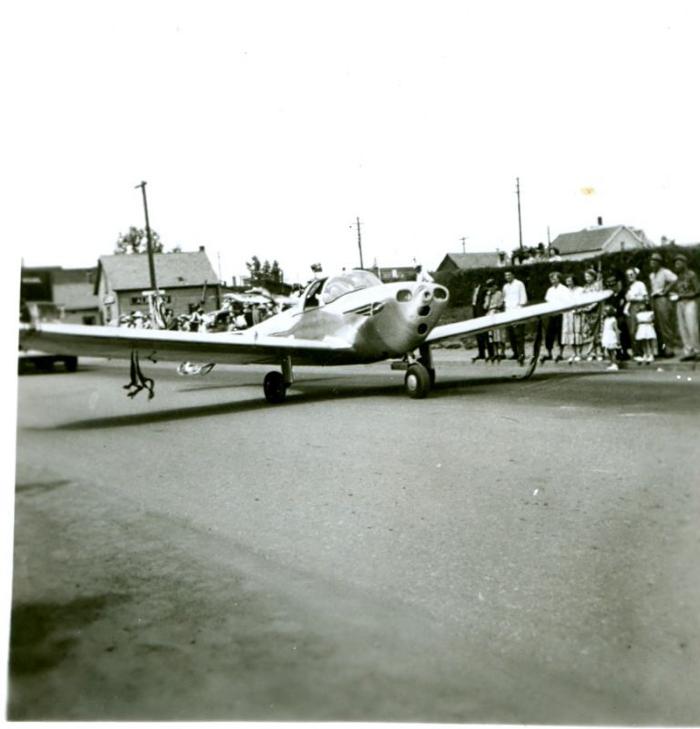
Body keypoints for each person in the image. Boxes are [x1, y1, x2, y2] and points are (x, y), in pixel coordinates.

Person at [670, 254, 699, 361]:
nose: (676, 265)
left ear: (684, 263)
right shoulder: (678, 277)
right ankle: (688, 351)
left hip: (690, 302)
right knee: (682, 328)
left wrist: (680, 296)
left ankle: (697, 350)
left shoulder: (691, 275)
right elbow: (676, 289)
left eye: (678, 263)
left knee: (692, 326)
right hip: (680, 303)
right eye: (675, 263)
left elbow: (697, 291)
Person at [648, 252, 677, 358]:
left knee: (665, 324)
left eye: (655, 261)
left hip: (662, 299)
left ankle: (669, 349)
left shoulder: (665, 272)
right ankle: (661, 349)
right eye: (651, 261)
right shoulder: (652, 275)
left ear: (659, 263)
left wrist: (666, 290)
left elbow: (674, 279)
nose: (652, 263)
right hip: (654, 299)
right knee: (657, 326)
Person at [542, 271, 568, 362]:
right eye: (551, 278)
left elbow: (567, 302)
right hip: (551, 314)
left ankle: (560, 353)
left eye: (554, 278)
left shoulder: (564, 289)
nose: (552, 280)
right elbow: (548, 301)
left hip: (561, 314)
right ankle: (549, 353)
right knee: (549, 334)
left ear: (559, 279)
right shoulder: (550, 290)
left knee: (560, 334)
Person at [502, 270, 528, 364]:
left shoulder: (519, 284)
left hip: (517, 311)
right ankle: (515, 353)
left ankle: (521, 354)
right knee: (511, 334)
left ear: (513, 275)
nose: (507, 277)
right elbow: (505, 300)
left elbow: (523, 299)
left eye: (509, 275)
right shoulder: (505, 286)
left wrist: (520, 311)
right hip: (508, 312)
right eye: (506, 275)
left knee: (519, 335)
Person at [605, 274, 632, 360]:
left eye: (613, 284)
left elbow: (625, 304)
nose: (612, 287)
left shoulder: (622, 294)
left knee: (622, 333)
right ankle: (617, 352)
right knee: (612, 335)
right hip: (612, 317)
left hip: (620, 316)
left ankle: (624, 351)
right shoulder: (609, 295)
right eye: (609, 285)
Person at [623, 267, 648, 359]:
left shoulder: (640, 284)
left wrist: (635, 299)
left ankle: (642, 352)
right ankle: (636, 352)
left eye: (632, 274)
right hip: (629, 308)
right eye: (628, 275)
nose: (630, 276)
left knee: (638, 330)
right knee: (631, 331)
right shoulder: (629, 286)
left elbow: (645, 298)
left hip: (638, 307)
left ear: (636, 274)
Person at [561, 274, 586, 362]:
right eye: (567, 281)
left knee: (578, 332)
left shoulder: (581, 290)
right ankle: (573, 353)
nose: (568, 282)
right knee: (570, 333)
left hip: (577, 313)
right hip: (567, 314)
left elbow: (584, 301)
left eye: (570, 280)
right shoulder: (565, 291)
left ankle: (579, 353)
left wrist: (579, 309)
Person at [581, 268, 604, 360]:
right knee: (589, 332)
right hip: (587, 312)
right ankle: (591, 352)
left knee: (598, 331)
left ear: (593, 276)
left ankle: (600, 352)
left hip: (596, 310)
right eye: (585, 276)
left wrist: (590, 307)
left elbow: (598, 298)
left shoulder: (597, 285)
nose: (587, 278)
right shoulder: (585, 287)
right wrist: (584, 308)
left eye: (588, 276)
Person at [483, 278, 505, 361]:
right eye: (489, 287)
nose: (490, 289)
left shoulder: (499, 293)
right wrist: (488, 298)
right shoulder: (487, 295)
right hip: (489, 314)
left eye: (491, 287)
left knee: (499, 334)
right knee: (491, 335)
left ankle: (502, 352)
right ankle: (496, 352)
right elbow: (485, 306)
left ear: (495, 286)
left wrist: (493, 307)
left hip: (497, 313)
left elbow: (499, 304)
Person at [471, 280, 489, 361]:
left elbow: (487, 301)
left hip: (482, 313)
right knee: (478, 334)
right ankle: (481, 353)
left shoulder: (484, 289)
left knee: (485, 334)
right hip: (476, 313)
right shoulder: (474, 289)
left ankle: (489, 353)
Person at [600, 304, 621, 370]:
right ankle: (612, 363)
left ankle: (615, 364)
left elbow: (616, 330)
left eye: (606, 311)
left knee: (612, 351)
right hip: (606, 335)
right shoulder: (606, 319)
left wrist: (618, 339)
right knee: (608, 350)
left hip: (611, 336)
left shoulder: (613, 319)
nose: (604, 313)